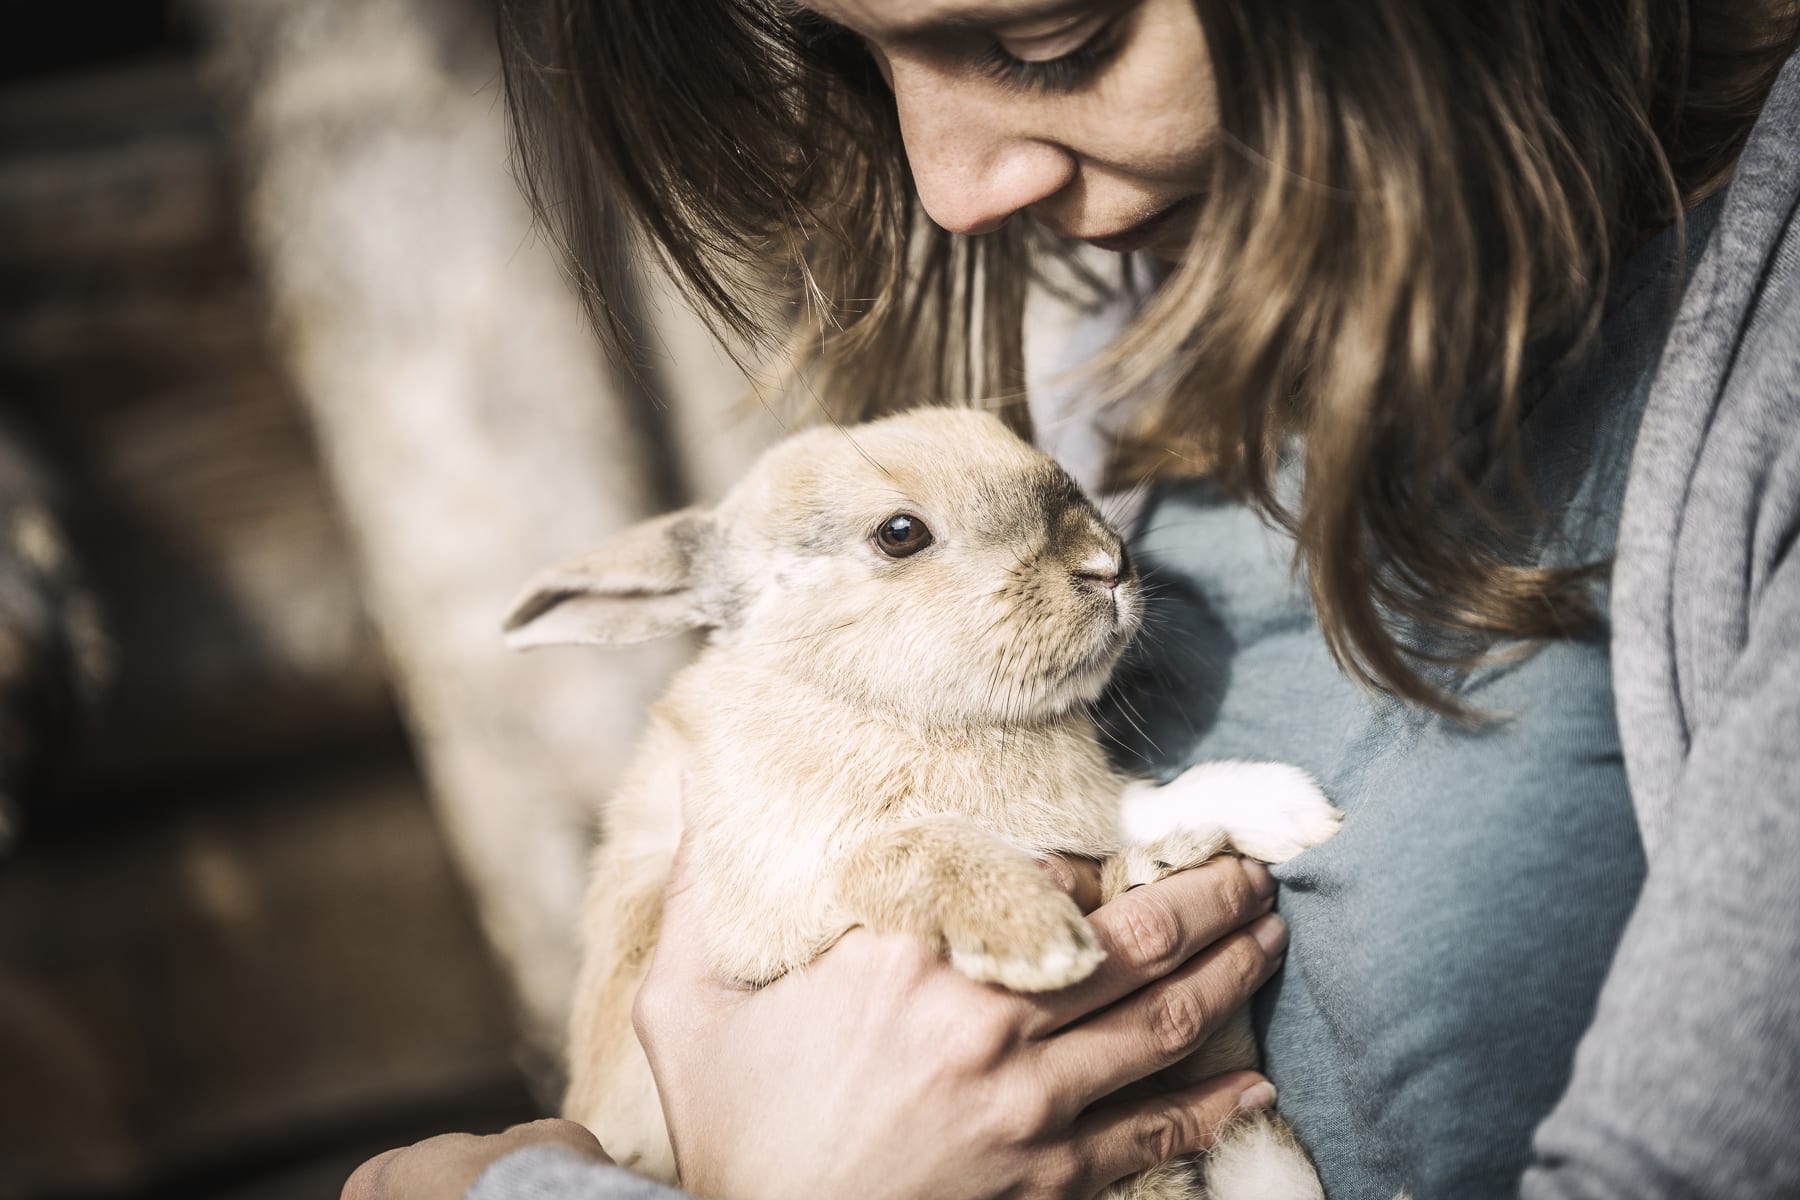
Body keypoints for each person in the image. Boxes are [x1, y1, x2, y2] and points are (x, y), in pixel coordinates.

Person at [347, 0, 1800, 1196]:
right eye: (859, 55)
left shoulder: (1748, 393)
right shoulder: (1128, 316)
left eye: (1054, 39)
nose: (951, 188)